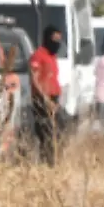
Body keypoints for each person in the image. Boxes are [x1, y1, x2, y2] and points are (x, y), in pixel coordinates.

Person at [28, 25, 64, 165]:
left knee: (56, 131)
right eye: (55, 39)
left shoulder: (52, 56)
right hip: (42, 98)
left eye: (59, 40)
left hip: (54, 97)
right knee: (45, 131)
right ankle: (46, 161)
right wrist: (45, 98)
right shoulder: (38, 55)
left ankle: (52, 160)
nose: (57, 43)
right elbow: (34, 78)